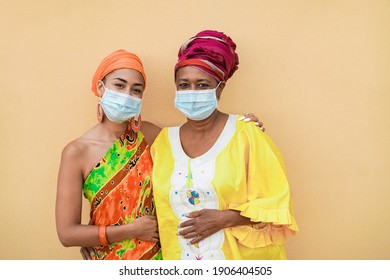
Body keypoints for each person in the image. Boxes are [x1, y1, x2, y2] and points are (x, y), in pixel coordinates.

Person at [55, 49, 264, 260]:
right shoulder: (76, 152)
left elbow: (203, 140)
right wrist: (125, 232)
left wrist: (241, 128)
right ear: (101, 87)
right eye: (119, 85)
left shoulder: (152, 135)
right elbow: (67, 234)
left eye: (136, 90)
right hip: (108, 257)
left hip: (166, 254)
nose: (127, 94)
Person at [150, 30, 298, 260]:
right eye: (184, 85)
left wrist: (225, 218)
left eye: (202, 85)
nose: (192, 92)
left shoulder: (246, 134)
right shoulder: (162, 143)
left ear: (219, 89)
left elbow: (276, 205)